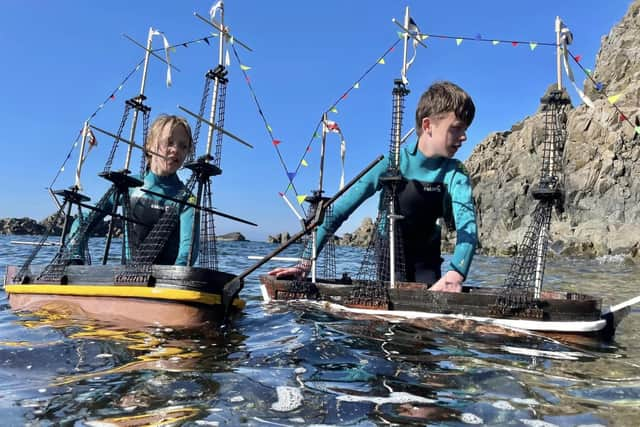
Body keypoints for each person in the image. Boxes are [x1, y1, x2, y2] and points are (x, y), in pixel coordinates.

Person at [269, 81, 477, 292]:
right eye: (457, 127)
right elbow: (339, 210)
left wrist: (455, 273)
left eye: (466, 129)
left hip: (427, 255)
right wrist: (305, 263)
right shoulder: (392, 164)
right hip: (390, 252)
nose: (464, 136)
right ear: (427, 126)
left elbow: (467, 227)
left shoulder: (456, 173)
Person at [68, 114, 198, 266]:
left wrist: (177, 274)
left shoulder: (187, 199)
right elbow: (84, 221)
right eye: (169, 142)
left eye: (183, 146)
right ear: (149, 147)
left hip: (163, 283)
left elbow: (188, 249)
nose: (176, 150)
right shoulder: (128, 186)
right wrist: (75, 255)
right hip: (127, 280)